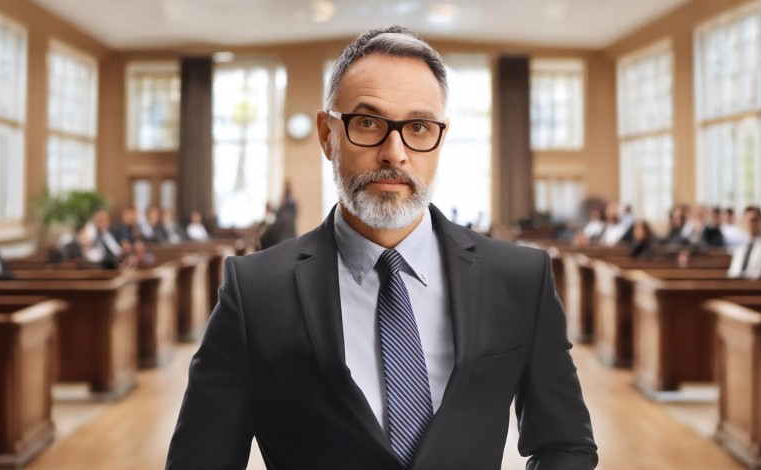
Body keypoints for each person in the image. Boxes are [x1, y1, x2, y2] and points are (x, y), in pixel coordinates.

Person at [166, 26, 597, 469]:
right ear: (327, 134)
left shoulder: (520, 279)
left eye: (419, 126)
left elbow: (566, 445)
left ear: (440, 139)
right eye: (368, 123)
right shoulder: (254, 291)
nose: (395, 152)